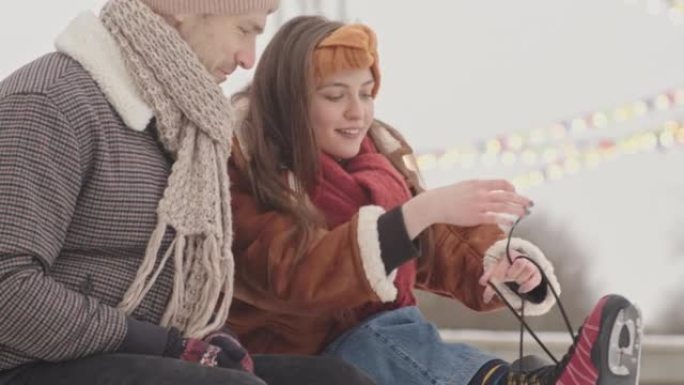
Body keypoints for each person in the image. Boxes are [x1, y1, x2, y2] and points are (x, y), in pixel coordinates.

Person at [226, 15, 643, 385]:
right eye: (335, 96)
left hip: (373, 343)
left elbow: (434, 239)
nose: (358, 112)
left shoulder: (373, 166)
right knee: (380, 339)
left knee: (390, 334)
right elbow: (290, 272)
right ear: (292, 101)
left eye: (367, 93)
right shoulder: (248, 169)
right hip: (286, 357)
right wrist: (417, 213)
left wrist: (496, 263)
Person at [0, 2, 377, 385]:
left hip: (137, 353)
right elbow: (7, 291)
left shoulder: (186, 126)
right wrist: (160, 344)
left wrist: (213, 338)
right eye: (244, 31)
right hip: (30, 364)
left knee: (337, 380)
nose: (248, 60)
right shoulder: (51, 103)